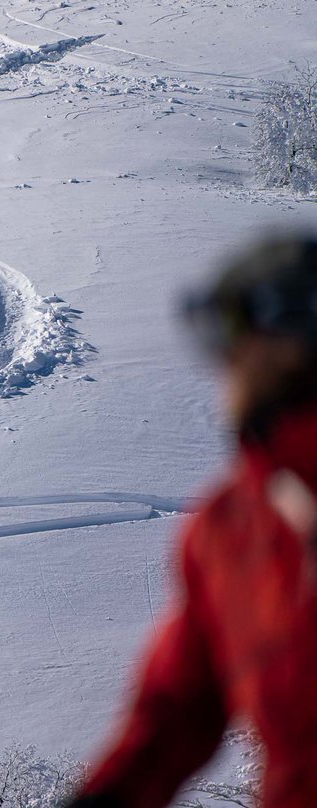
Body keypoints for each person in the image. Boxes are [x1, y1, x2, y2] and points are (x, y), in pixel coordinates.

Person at [69, 233, 317, 808]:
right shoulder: (231, 527)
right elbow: (179, 705)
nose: (223, 374)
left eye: (231, 348)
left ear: (282, 346)